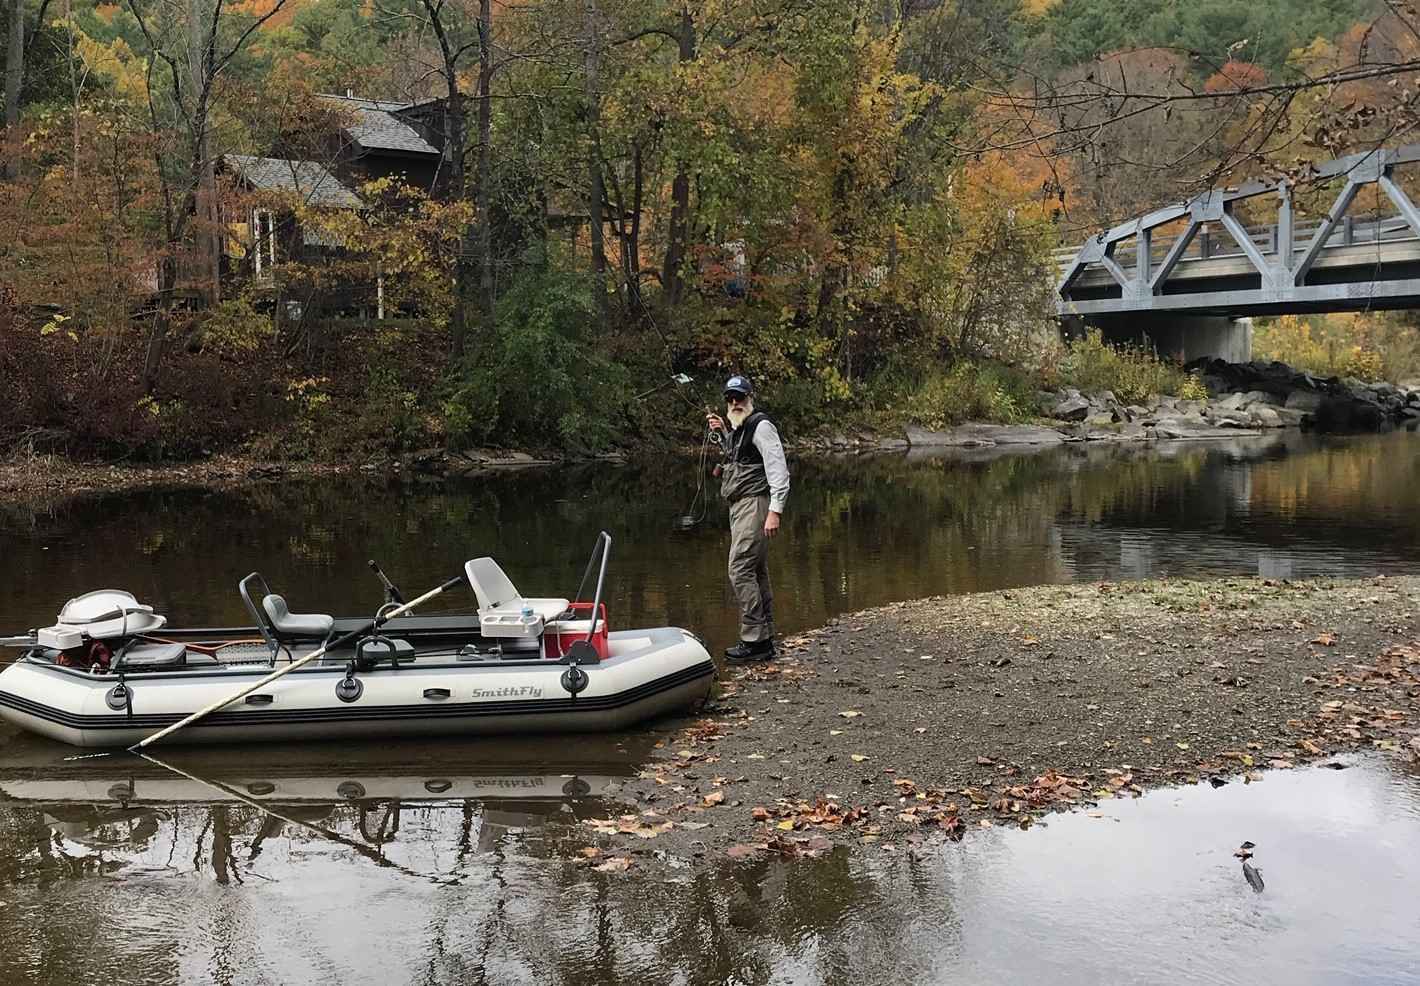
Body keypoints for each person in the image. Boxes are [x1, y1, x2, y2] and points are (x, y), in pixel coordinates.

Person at [706, 374, 789, 663]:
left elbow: (778, 469)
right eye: (729, 397)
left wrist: (775, 512)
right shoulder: (739, 428)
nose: (733, 402)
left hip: (755, 506)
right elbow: (736, 457)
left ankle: (754, 641)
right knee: (756, 570)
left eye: (738, 397)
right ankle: (766, 637)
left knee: (739, 569)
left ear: (749, 397)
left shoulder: (761, 426)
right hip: (741, 507)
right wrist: (721, 432)